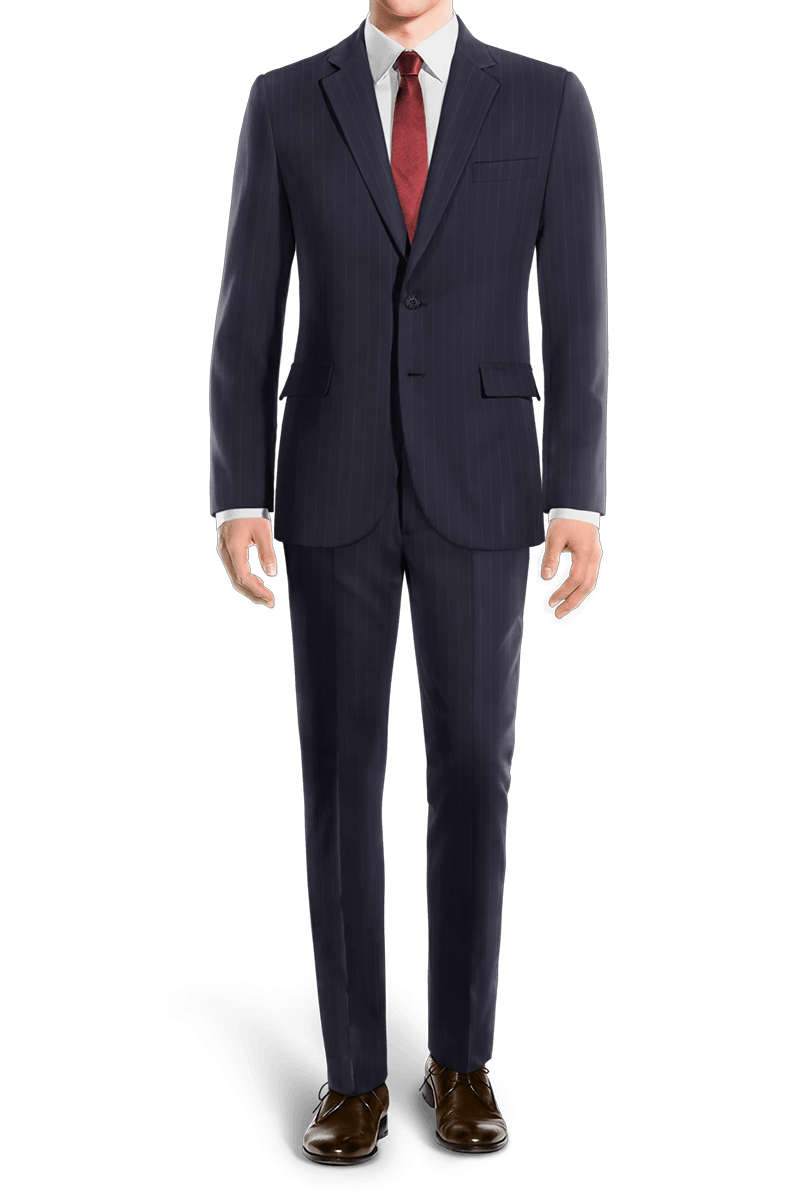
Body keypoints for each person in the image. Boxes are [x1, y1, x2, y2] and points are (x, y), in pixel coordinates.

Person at [209, 0, 606, 1164]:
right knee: (340, 775)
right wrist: (236, 495)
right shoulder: (285, 102)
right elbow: (245, 315)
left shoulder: (546, 101)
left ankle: (461, 1059)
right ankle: (351, 1077)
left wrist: (576, 496)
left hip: (483, 483)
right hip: (326, 482)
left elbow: (576, 309)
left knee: (474, 767)